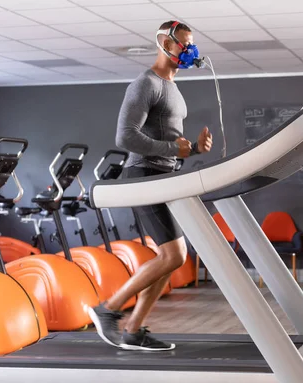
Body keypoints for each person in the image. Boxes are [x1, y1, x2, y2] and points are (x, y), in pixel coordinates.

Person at [88, 20, 213, 351]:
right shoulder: (145, 83)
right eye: (185, 44)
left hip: (164, 176)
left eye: (192, 43)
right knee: (173, 255)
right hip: (144, 175)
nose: (191, 50)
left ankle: (133, 327)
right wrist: (174, 149)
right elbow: (125, 136)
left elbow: (166, 137)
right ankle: (109, 308)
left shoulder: (172, 86)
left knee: (173, 256)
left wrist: (195, 149)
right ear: (165, 44)